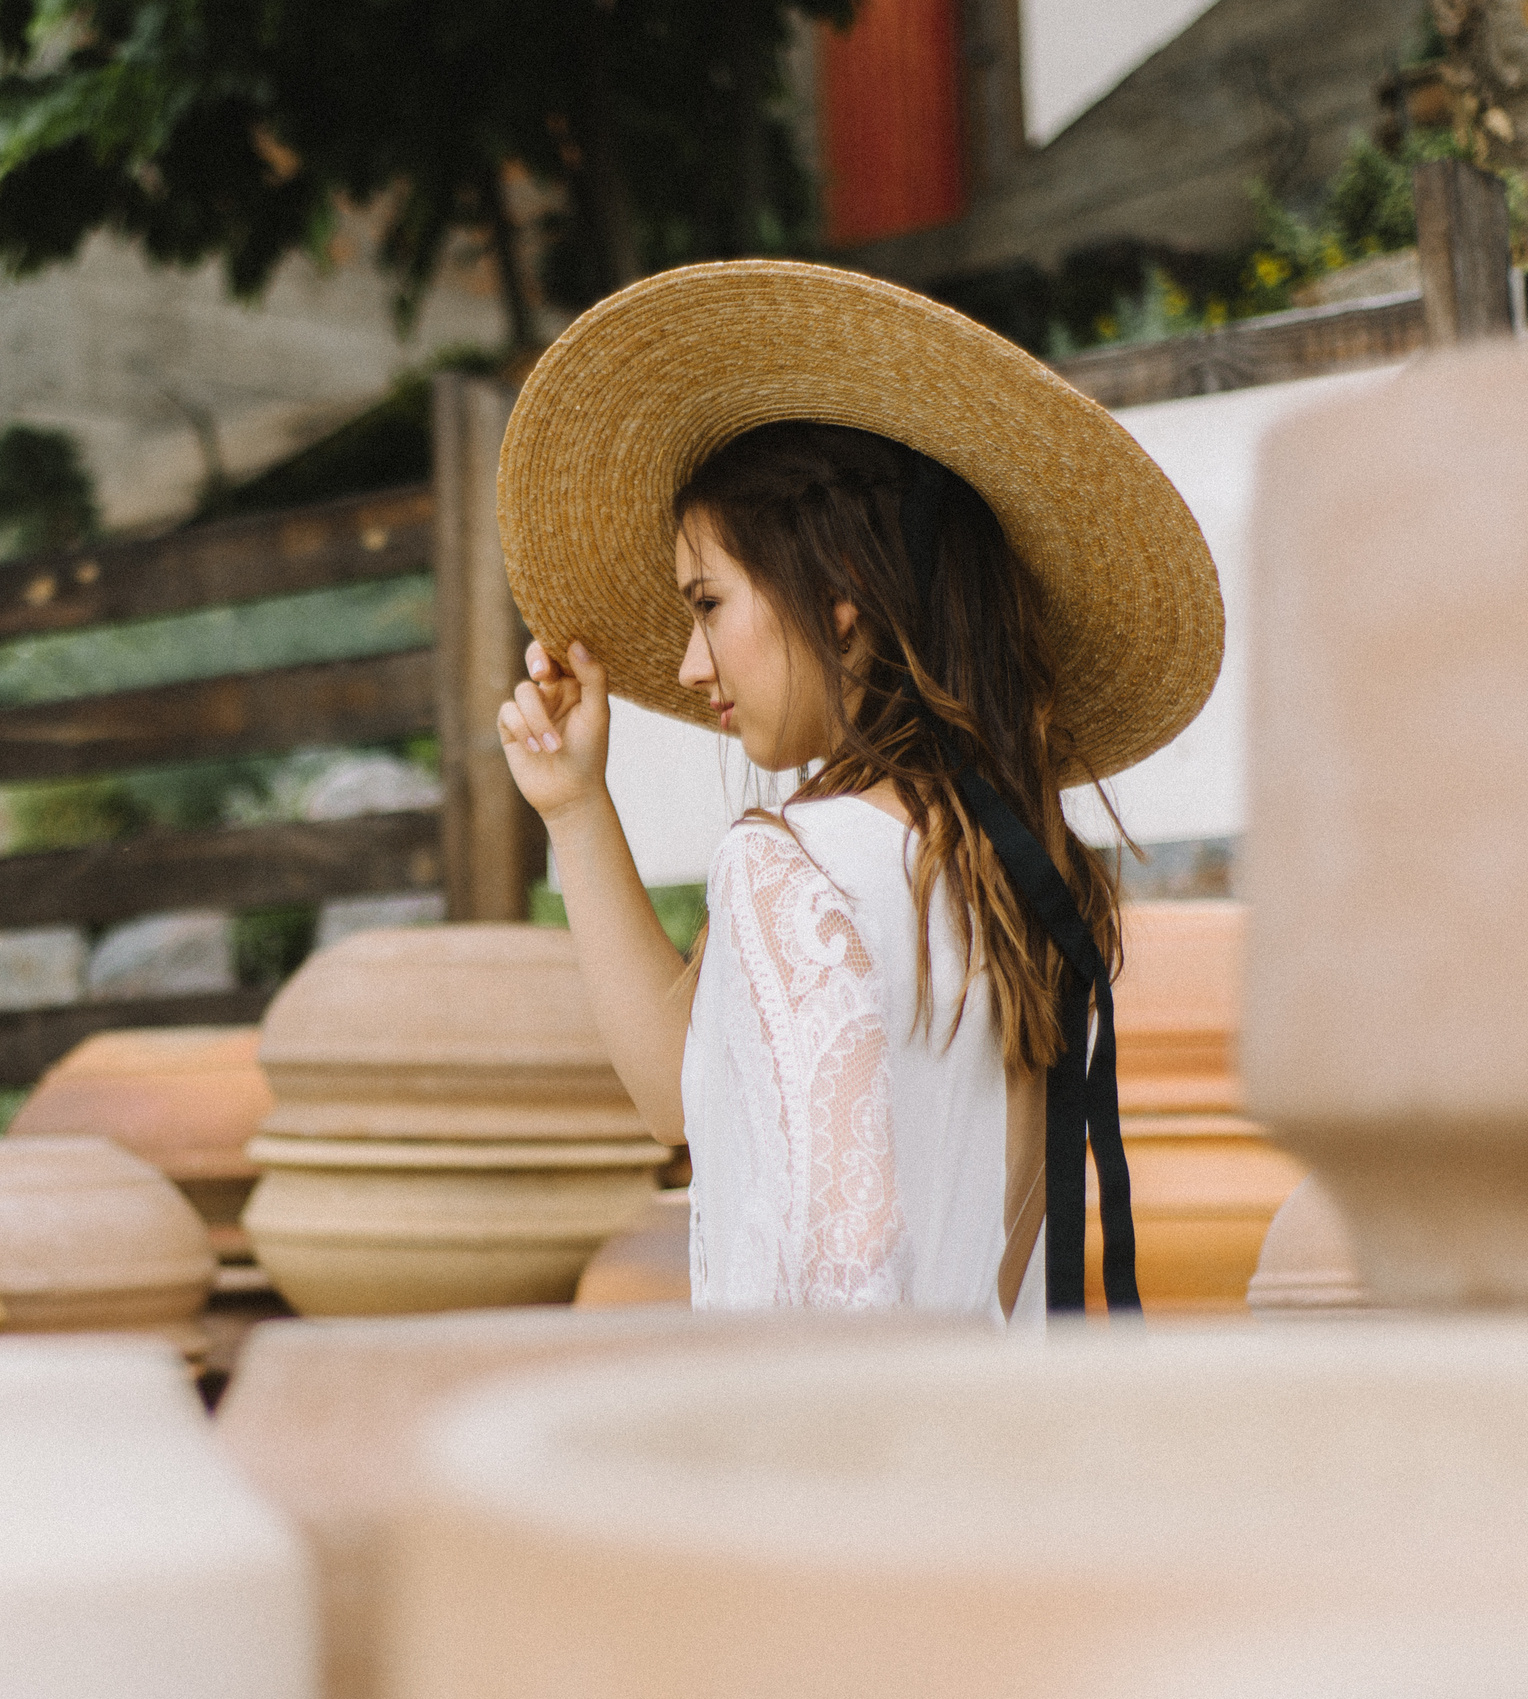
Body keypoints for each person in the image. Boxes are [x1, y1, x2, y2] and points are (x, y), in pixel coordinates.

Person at [490, 261, 1222, 1321]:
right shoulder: (1023, 870)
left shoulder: (795, 864)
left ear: (838, 597)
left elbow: (834, 1278)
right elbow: (677, 1094)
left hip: (840, 1460)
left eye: (706, 602)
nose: (692, 669)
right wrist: (574, 803)